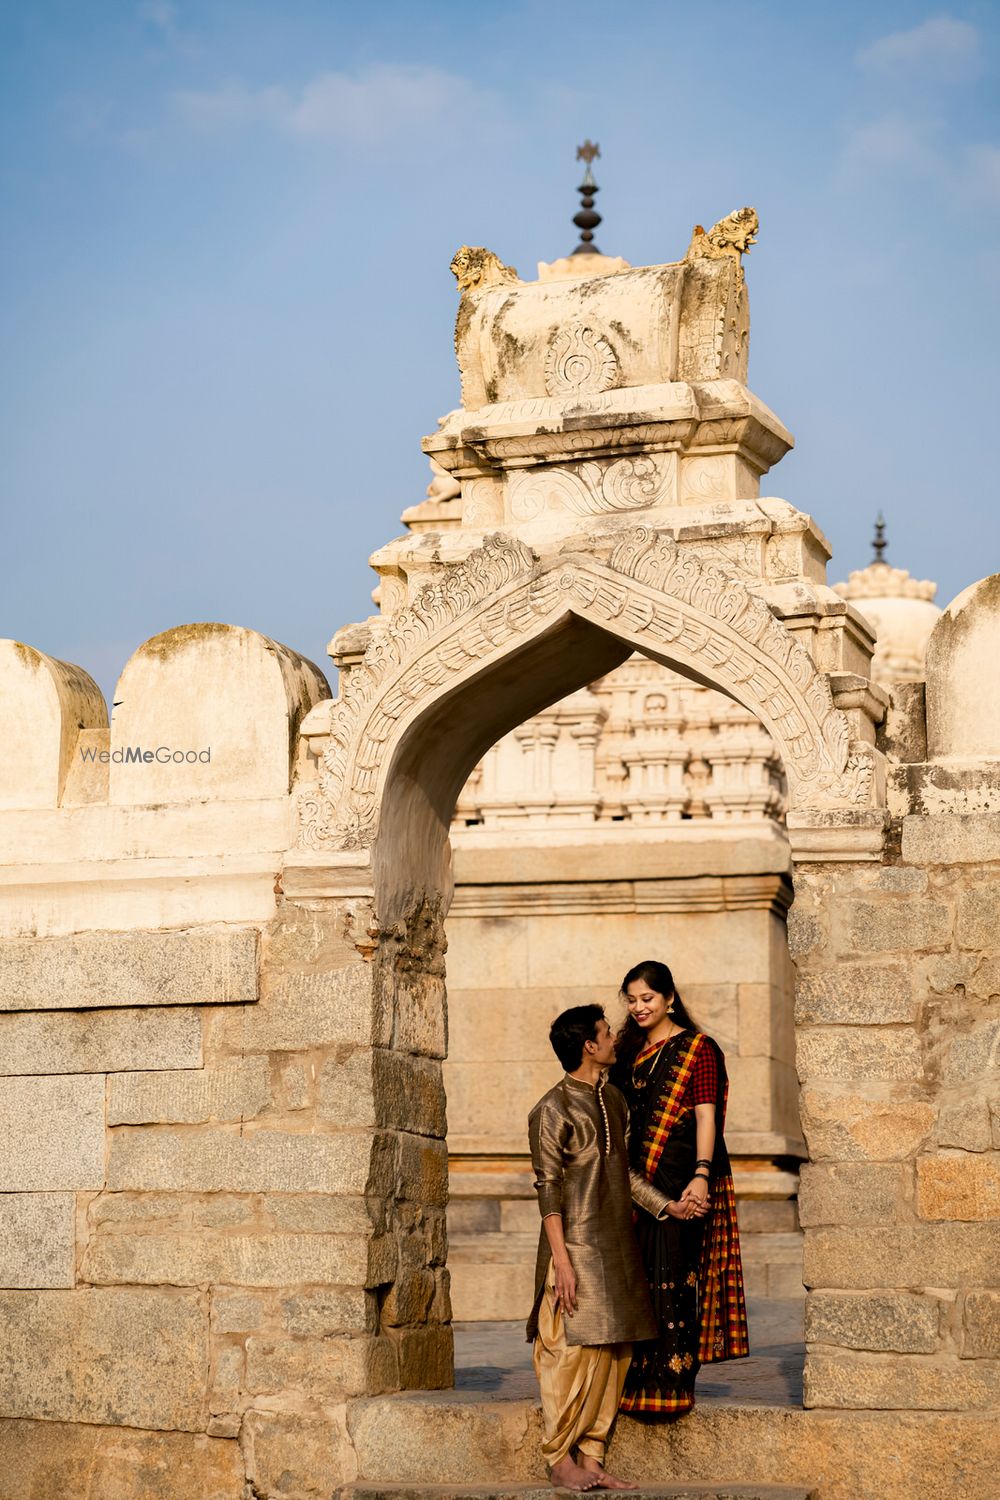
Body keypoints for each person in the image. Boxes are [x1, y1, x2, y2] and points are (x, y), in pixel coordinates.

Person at [527, 1004, 689, 1491]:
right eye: (605, 1032)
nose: (615, 1035)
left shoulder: (614, 1099)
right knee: (568, 1353)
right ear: (589, 1047)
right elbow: (548, 1189)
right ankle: (559, 1460)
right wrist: (562, 1261)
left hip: (616, 1243)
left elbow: (624, 1174)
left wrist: (667, 1207)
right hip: (573, 1245)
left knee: (616, 1348)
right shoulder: (551, 1109)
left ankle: (592, 1454)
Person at [609, 960, 748, 1419]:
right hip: (637, 1184)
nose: (638, 1007)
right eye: (631, 1000)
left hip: (682, 1175)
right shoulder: (626, 1055)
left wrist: (701, 1174)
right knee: (642, 1279)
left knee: (674, 1275)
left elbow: (706, 1115)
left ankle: (672, 1382)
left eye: (647, 998)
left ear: (670, 998)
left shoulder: (698, 1049)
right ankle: (634, 1381)